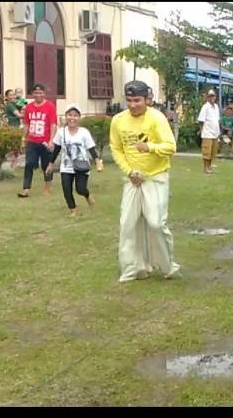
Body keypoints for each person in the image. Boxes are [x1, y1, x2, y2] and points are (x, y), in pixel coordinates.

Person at [109, 80, 179, 283]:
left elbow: (170, 146)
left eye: (137, 100)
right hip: (132, 178)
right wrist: (129, 171)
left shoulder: (156, 118)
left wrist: (149, 148)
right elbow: (116, 148)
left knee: (156, 223)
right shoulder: (118, 120)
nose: (133, 105)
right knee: (128, 224)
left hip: (155, 176)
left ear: (147, 99)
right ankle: (134, 268)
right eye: (129, 100)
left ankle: (167, 265)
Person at [46, 104, 104, 216]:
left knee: (80, 189)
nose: (72, 118)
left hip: (81, 165)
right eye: (70, 115)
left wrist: (97, 161)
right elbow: (57, 149)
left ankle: (87, 196)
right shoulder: (61, 132)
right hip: (66, 166)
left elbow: (91, 148)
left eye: (75, 115)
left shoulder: (84, 132)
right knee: (66, 190)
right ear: (66, 116)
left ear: (79, 117)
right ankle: (73, 210)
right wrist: (51, 163)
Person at [18, 84, 58, 198]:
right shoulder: (29, 107)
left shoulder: (50, 106)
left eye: (40, 93)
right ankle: (26, 188)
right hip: (32, 140)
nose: (38, 95)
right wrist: (23, 139)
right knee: (29, 163)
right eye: (36, 93)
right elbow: (26, 124)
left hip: (45, 141)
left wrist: (51, 140)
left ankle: (47, 187)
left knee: (46, 165)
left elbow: (53, 124)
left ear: (44, 93)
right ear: (32, 94)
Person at [197, 89, 221, 174]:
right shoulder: (205, 107)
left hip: (215, 132)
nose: (212, 98)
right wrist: (201, 130)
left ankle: (210, 167)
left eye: (213, 96)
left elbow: (217, 120)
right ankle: (206, 168)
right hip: (207, 133)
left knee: (213, 152)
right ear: (207, 97)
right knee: (207, 151)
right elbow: (201, 120)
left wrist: (219, 132)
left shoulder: (216, 107)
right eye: (210, 96)